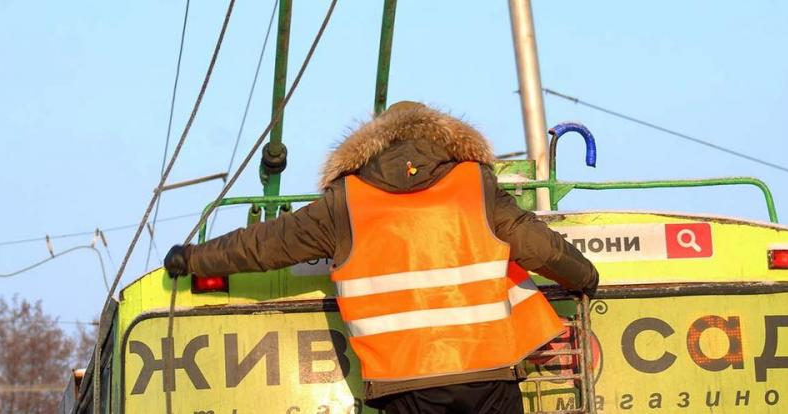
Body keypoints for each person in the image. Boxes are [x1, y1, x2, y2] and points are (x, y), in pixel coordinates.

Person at [165, 101, 598, 414]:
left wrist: (193, 258)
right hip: (488, 378)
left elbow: (264, 245)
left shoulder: (346, 202)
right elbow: (541, 248)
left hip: (401, 387)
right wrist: (585, 277)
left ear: (372, 146)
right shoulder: (475, 186)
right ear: (444, 139)